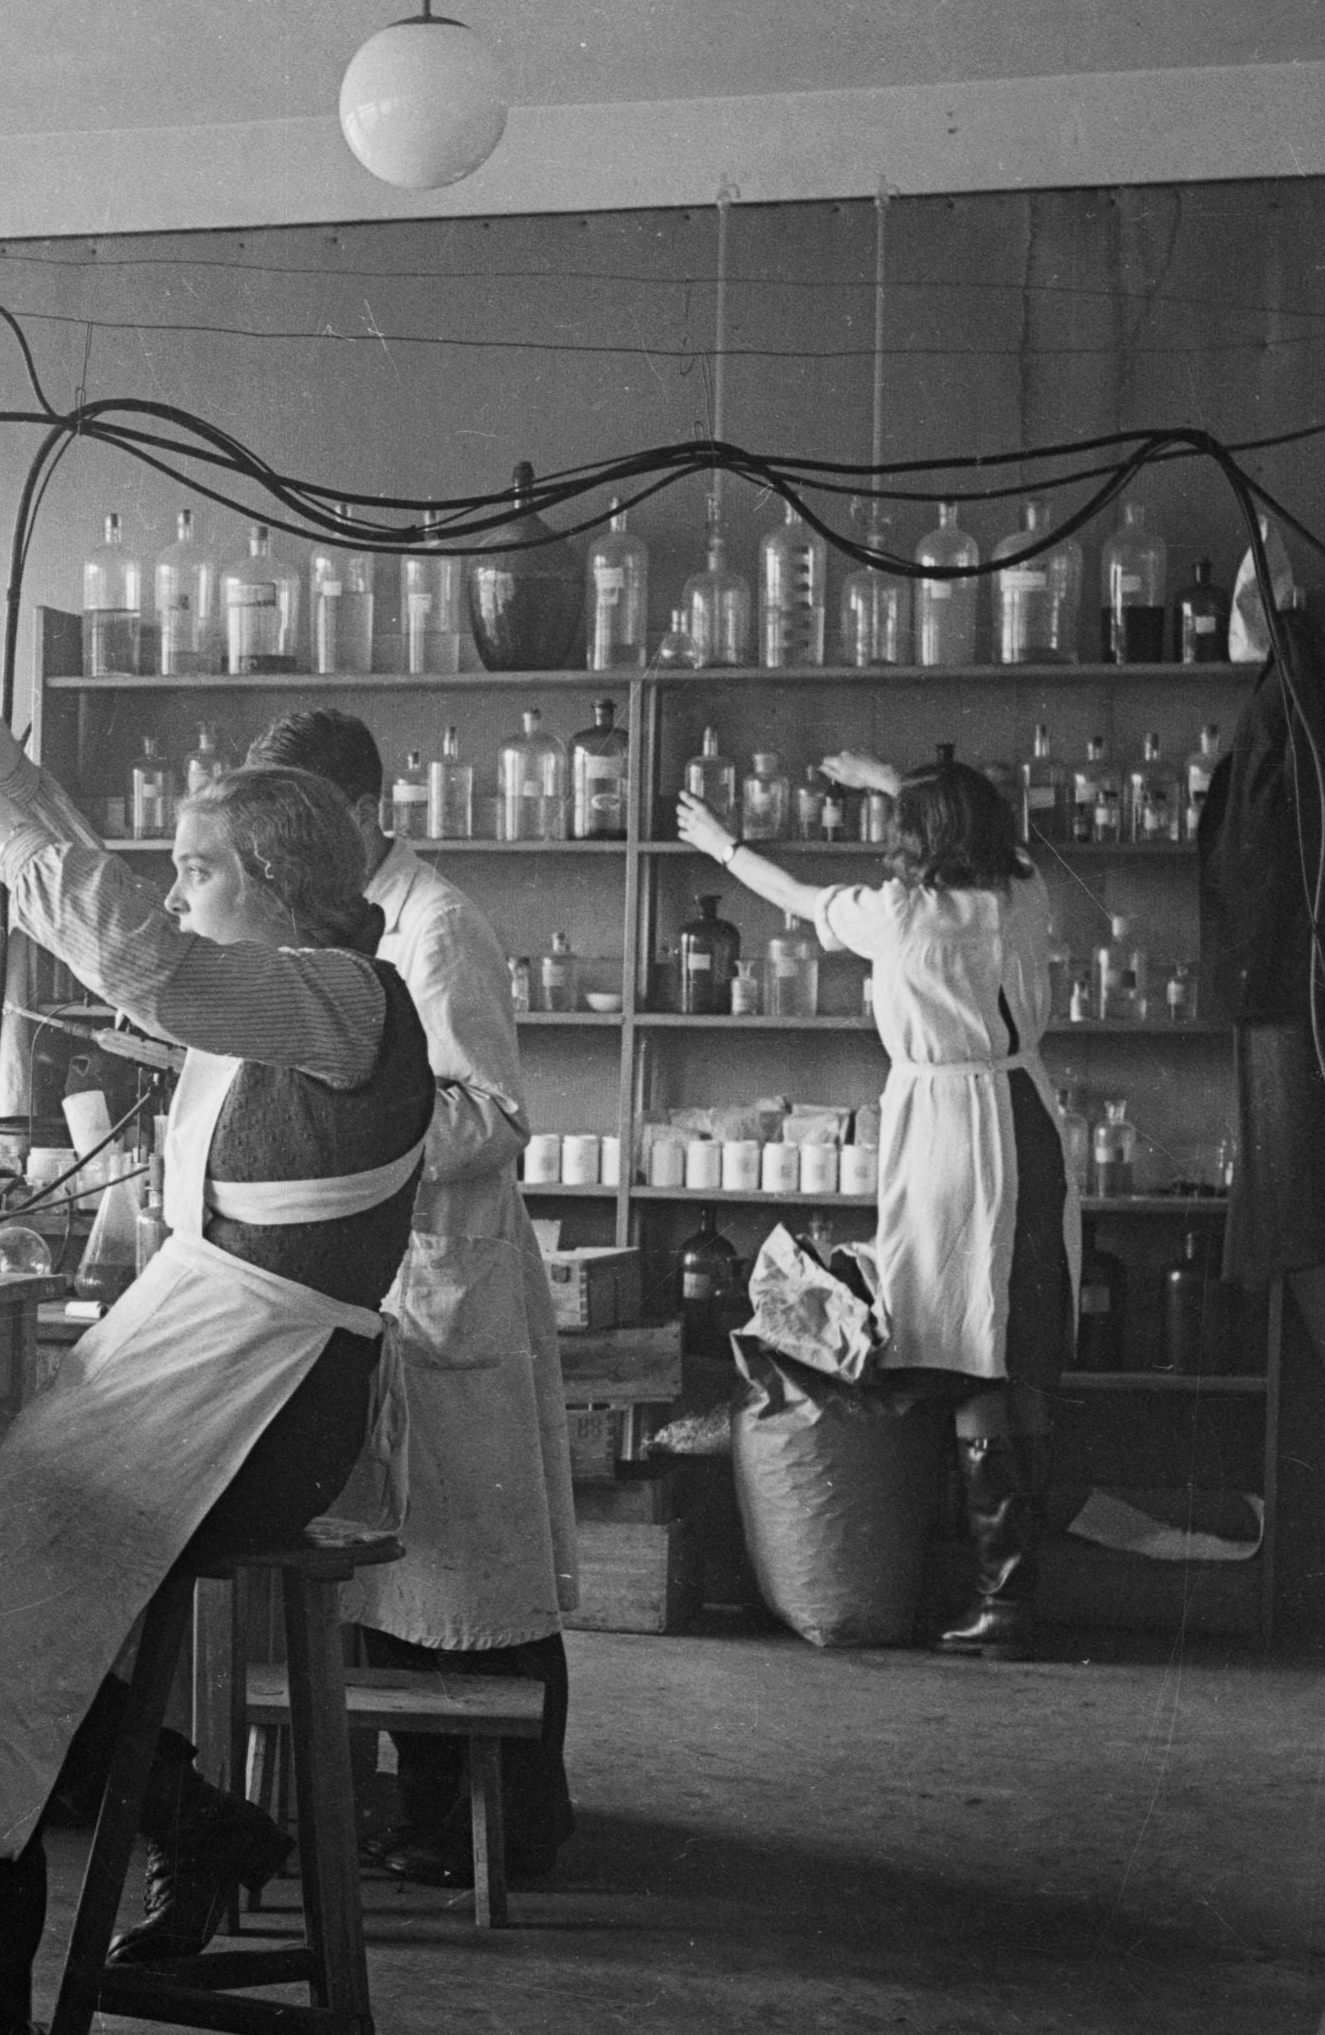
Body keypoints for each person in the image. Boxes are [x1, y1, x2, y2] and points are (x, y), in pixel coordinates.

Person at [0, 612, 434, 2035]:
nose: (174, 892)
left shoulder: (335, 998)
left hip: (262, 1389)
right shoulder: (287, 996)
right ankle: (121, 1859)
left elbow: (135, 951)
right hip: (204, 1349)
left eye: (197, 868)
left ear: (280, 884)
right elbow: (112, 901)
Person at [247, 710, 580, 1887]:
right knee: (403, 1570)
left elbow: (489, 1114)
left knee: (482, 1570)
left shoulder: (434, 926)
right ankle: (433, 1813)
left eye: (299, 820)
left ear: (358, 811)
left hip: (452, 1270)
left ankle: (519, 1826)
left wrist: (355, 1122)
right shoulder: (334, 920)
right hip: (387, 1274)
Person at [676, 749, 1073, 1654]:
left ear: (916, 841)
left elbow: (798, 894)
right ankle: (1013, 1592)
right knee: (1020, 1345)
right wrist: (898, 784)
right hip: (1029, 1122)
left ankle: (1002, 1606)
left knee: (970, 1352)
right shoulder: (1022, 890)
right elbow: (969, 826)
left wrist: (725, 845)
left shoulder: (899, 914)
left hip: (951, 1131)